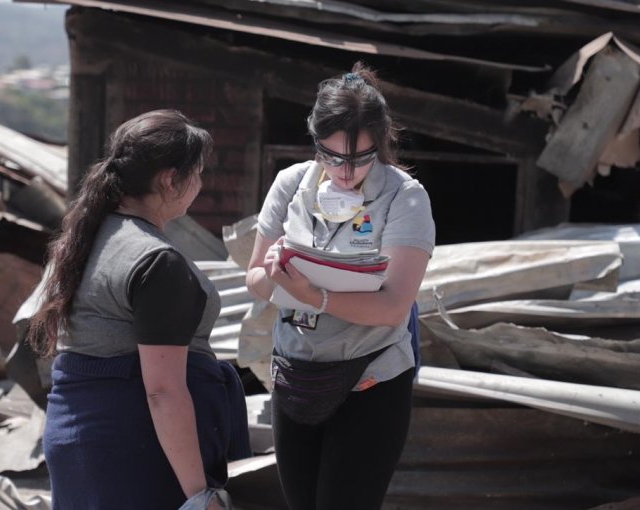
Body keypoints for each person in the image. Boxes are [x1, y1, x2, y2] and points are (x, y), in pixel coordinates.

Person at [30, 110, 250, 510]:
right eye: (197, 173)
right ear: (170, 179)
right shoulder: (154, 260)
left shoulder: (85, 239)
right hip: (137, 453)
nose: (200, 184)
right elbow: (163, 391)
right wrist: (200, 495)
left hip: (81, 442)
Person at [246, 63, 435, 510]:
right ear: (315, 141)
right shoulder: (290, 184)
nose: (344, 171)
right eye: (330, 156)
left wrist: (320, 297)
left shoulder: (405, 196)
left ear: (381, 143)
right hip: (297, 373)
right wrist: (277, 277)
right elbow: (254, 277)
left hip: (371, 379)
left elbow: (393, 307)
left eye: (358, 158)